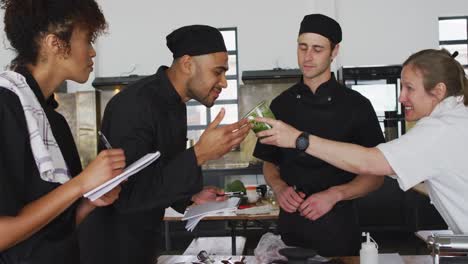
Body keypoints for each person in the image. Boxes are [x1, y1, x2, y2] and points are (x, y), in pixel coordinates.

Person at [78, 25, 250, 264]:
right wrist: (199, 154)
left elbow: (159, 177)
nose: (223, 82)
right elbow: (129, 195)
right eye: (217, 72)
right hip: (112, 247)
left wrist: (190, 198)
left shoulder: (177, 105)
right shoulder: (134, 105)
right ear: (188, 64)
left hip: (145, 242)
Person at [256, 48, 468, 235]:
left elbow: (370, 162)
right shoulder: (456, 119)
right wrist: (280, 187)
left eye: (409, 88)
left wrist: (298, 139)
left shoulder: (440, 129)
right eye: (302, 47)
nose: (401, 98)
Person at [0, 1, 126, 263]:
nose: (92, 52)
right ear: (54, 43)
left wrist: (90, 200)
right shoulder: (5, 107)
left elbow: (56, 233)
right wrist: (81, 184)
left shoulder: (54, 122)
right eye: (88, 39)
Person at [252, 14, 385, 257]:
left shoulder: (357, 106)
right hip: (290, 231)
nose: (307, 57)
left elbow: (376, 175)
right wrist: (280, 187)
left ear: (334, 51)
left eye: (317, 49)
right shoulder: (282, 104)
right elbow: (270, 162)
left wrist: (335, 194)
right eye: (302, 47)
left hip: (338, 229)